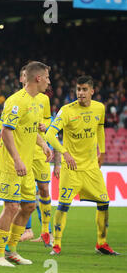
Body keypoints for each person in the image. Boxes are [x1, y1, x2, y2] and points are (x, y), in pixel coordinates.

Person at [44, 75, 119, 256]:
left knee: (104, 202)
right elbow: (49, 135)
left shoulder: (99, 108)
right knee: (63, 205)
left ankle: (101, 243)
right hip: (71, 168)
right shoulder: (67, 111)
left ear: (92, 91)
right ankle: (57, 244)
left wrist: (102, 152)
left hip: (91, 167)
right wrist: (65, 153)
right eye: (78, 89)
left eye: (84, 90)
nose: (81, 93)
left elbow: (100, 128)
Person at [0, 61, 52, 267]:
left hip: (26, 164)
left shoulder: (37, 102)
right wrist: (17, 159)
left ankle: (11, 250)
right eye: (47, 78)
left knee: (28, 206)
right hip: (11, 163)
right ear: (38, 78)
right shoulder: (16, 101)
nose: (49, 82)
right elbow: (6, 131)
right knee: (11, 207)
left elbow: (31, 129)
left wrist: (43, 144)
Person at [15, 66, 60, 245]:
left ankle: (46, 232)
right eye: (23, 75)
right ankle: (27, 230)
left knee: (43, 190)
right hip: (24, 150)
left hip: (40, 152)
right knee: (24, 194)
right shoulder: (17, 101)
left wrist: (44, 125)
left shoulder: (43, 99)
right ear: (21, 79)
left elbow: (48, 120)